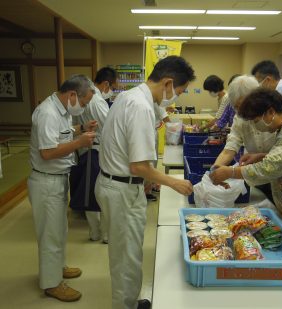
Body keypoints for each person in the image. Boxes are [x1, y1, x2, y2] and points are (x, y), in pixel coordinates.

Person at [95, 56, 195, 309]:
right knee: (126, 256)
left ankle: (129, 299)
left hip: (119, 183)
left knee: (126, 251)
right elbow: (138, 165)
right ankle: (125, 305)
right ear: (168, 82)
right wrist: (173, 183)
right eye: (179, 92)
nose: (176, 98)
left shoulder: (130, 97)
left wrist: (146, 180)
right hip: (121, 187)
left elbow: (132, 158)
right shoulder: (140, 106)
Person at [210, 88, 282, 222]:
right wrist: (263, 156)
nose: (255, 127)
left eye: (255, 121)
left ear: (271, 112)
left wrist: (230, 172)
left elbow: (271, 167)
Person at [28, 75, 97, 302]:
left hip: (57, 178)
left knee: (59, 230)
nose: (83, 107)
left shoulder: (61, 110)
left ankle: (57, 267)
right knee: (50, 233)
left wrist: (81, 128)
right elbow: (46, 153)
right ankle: (51, 283)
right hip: (46, 181)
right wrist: (79, 143)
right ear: (72, 95)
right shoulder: (47, 113)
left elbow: (61, 135)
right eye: (84, 103)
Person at [69, 67, 117, 243]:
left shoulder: (88, 99)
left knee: (91, 192)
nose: (111, 91)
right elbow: (111, 128)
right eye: (112, 87)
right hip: (96, 151)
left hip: (85, 150)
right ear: (105, 84)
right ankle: (102, 234)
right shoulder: (96, 101)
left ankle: (95, 232)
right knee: (100, 193)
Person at [212, 75, 277, 201]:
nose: (242, 112)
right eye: (237, 107)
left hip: (281, 179)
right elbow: (230, 148)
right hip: (256, 177)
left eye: (245, 106)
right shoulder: (240, 119)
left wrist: (231, 172)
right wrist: (215, 170)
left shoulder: (273, 115)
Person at [145, 103, 171, 202]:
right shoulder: (157, 102)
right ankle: (147, 191)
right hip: (150, 134)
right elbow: (167, 121)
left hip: (152, 132)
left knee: (153, 162)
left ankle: (151, 186)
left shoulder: (155, 102)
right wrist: (178, 129)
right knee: (151, 163)